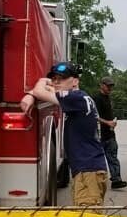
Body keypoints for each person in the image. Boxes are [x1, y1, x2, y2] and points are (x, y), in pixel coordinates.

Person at [21, 61, 109, 206]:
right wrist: (39, 91)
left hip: (88, 172)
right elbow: (48, 92)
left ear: (75, 81)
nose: (56, 82)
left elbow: (40, 91)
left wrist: (40, 83)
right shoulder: (80, 98)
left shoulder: (75, 98)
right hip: (90, 169)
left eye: (61, 78)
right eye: (54, 78)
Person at [94, 76, 126, 189]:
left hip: (110, 134)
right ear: (101, 85)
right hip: (100, 135)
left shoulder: (108, 98)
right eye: (108, 86)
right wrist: (108, 122)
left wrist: (112, 122)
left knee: (113, 157)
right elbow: (94, 116)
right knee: (98, 160)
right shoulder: (97, 98)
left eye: (111, 86)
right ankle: (96, 181)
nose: (110, 88)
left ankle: (116, 180)